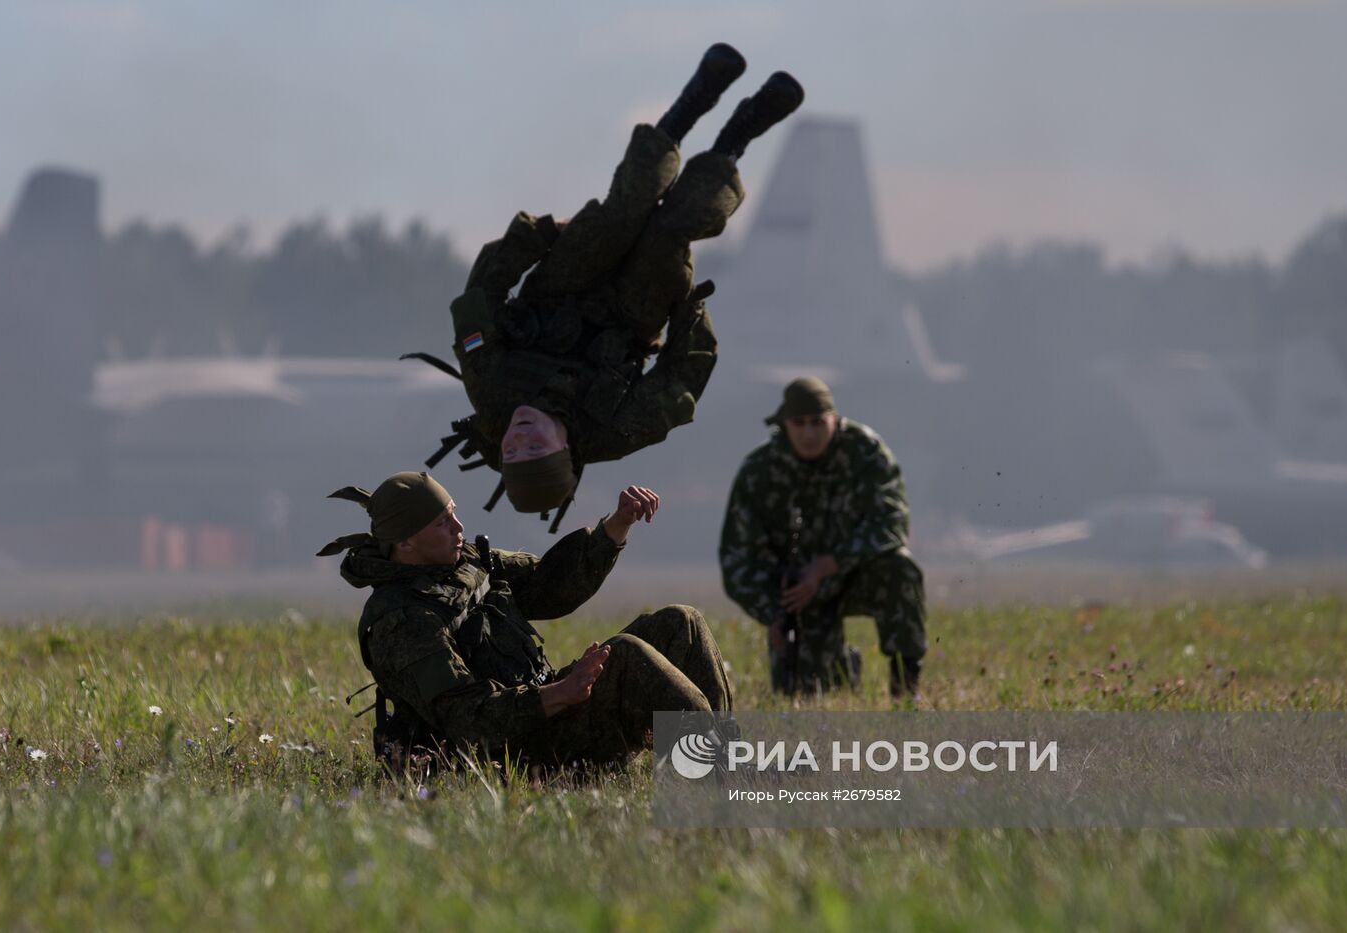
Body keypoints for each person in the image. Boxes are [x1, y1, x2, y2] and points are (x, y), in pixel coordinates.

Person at [419, 44, 804, 527]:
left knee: (627, 207)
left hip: (562, 282)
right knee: (671, 230)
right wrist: (689, 317)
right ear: (566, 449)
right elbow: (680, 383)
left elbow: (476, 302)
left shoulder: (491, 390)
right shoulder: (616, 431)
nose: (520, 436)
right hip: (631, 314)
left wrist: (533, 238)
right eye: (535, 447)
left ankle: (693, 102)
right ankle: (739, 135)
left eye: (512, 450)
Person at [317, 471, 734, 770]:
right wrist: (560, 694)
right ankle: (720, 781)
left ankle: (721, 766)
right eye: (442, 522)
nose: (459, 527)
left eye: (454, 513)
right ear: (405, 542)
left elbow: (548, 587)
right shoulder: (402, 621)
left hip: (547, 712)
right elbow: (469, 719)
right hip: (512, 754)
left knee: (683, 623)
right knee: (625, 657)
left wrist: (615, 526)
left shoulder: (466, 562)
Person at [718, 377, 928, 697]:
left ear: (835, 419)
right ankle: (842, 665)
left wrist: (830, 564)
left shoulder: (865, 452)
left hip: (853, 574)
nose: (809, 433)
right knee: (809, 695)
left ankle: (906, 689)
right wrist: (773, 613)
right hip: (797, 597)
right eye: (799, 423)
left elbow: (891, 523)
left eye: (818, 422)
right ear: (784, 425)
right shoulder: (759, 472)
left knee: (901, 569)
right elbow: (737, 560)